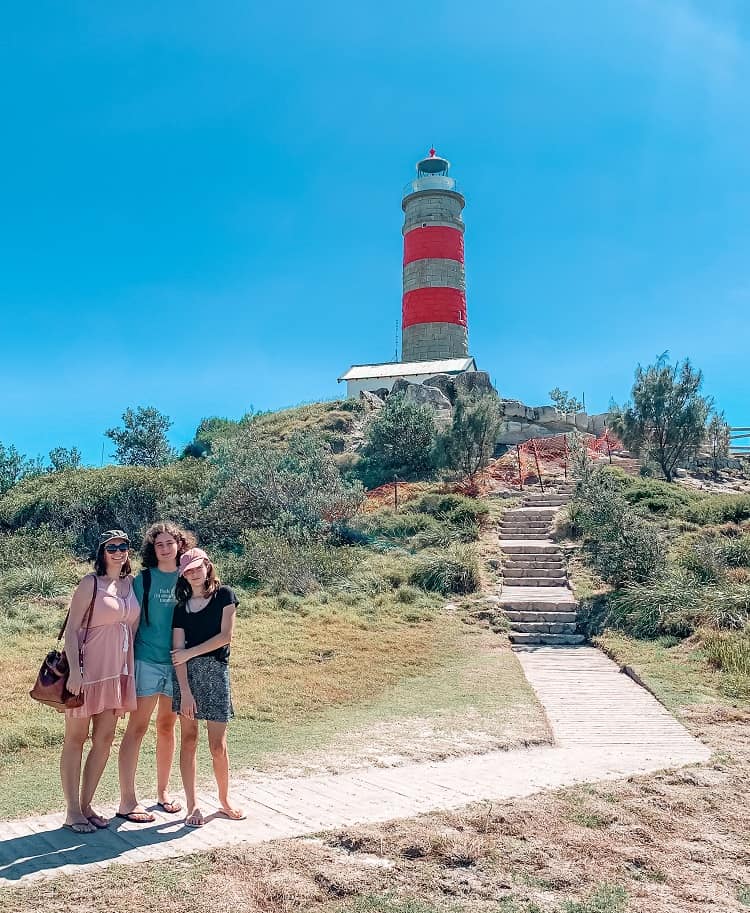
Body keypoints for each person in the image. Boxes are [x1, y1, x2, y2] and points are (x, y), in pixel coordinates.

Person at [117, 522, 196, 823]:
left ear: (179, 544)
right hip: (146, 662)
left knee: (167, 727)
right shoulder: (144, 580)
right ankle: (127, 800)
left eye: (170, 542)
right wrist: (125, 667)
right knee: (136, 729)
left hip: (178, 664)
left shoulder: (188, 575)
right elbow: (131, 623)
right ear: (153, 549)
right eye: (159, 544)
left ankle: (163, 793)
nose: (165, 548)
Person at [61, 530, 138, 833]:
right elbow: (70, 631)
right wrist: (76, 674)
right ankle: (71, 811)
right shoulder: (89, 583)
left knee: (104, 739)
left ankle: (86, 805)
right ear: (102, 552)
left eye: (124, 546)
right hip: (86, 674)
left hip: (115, 674)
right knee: (75, 739)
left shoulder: (130, 585)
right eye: (112, 547)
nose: (119, 552)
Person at [171, 547, 245, 828]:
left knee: (218, 745)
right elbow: (177, 653)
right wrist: (185, 692)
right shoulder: (181, 608)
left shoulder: (225, 595)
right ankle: (193, 805)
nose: (193, 573)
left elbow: (226, 637)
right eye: (187, 570)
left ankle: (224, 801)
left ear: (207, 566)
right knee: (188, 740)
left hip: (216, 672)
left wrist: (191, 653)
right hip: (187, 678)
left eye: (196, 567)